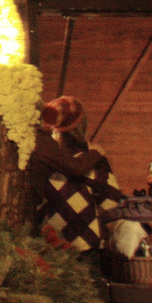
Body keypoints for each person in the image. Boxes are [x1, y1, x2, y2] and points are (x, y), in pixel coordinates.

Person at [28, 96, 123, 253]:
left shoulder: (42, 153)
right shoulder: (93, 160)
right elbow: (111, 199)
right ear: (82, 125)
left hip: (48, 240)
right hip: (86, 239)